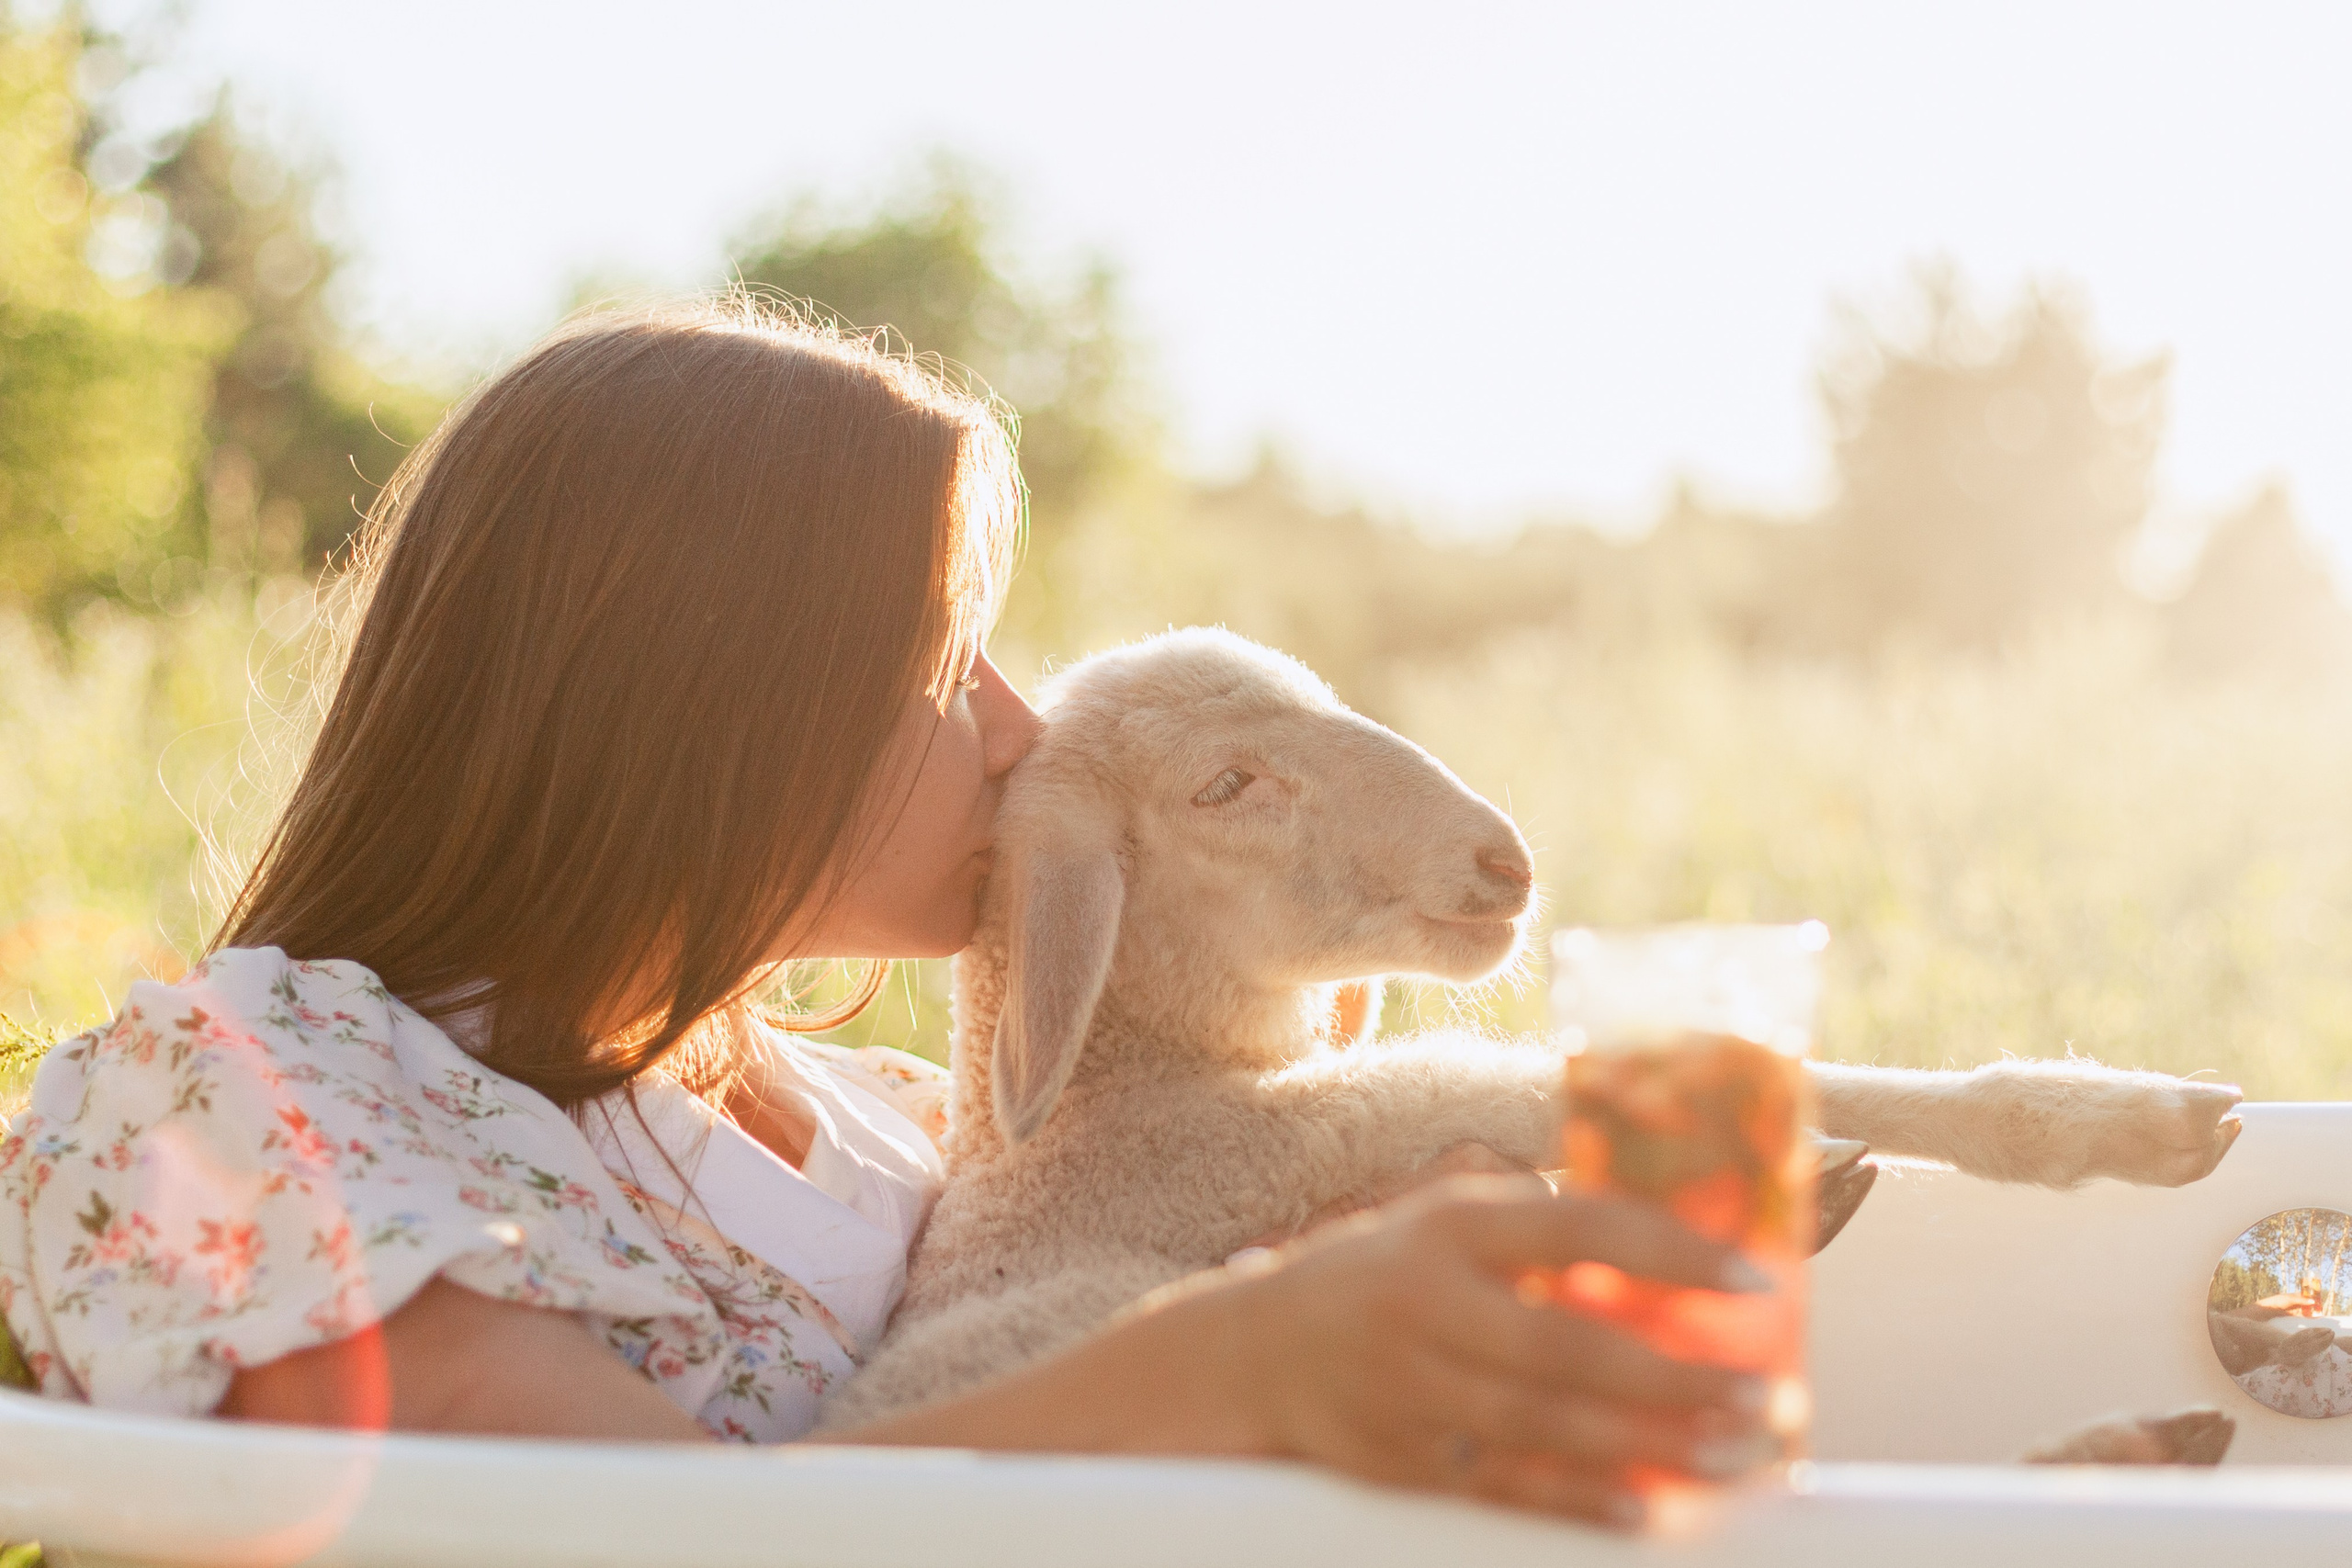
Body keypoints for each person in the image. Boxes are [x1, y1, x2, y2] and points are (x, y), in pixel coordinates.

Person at [0, 301, 1775, 1527]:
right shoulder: (233, 1102)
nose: (1022, 732)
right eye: (945, 661)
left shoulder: (907, 1131)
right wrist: (1244, 1361)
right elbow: (598, 1538)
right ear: (699, 706)